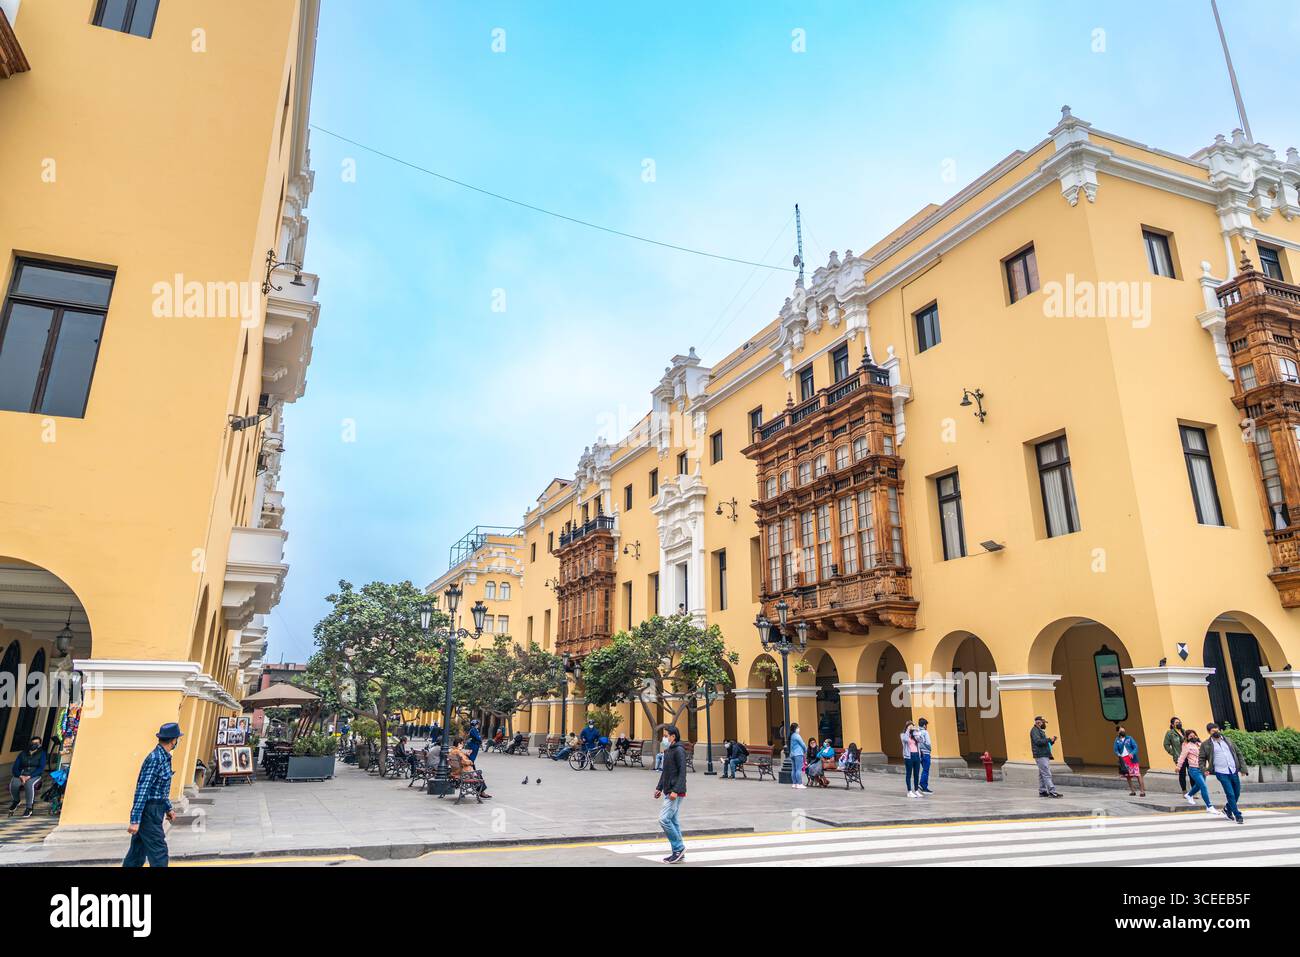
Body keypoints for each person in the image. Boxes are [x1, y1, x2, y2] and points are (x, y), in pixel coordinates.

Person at [123, 722, 182, 868]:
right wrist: (135, 820)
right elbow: (143, 789)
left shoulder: (165, 757)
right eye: (177, 739)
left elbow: (160, 789)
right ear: (173, 740)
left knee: (136, 853)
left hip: (156, 809)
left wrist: (168, 808)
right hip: (149, 811)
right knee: (159, 853)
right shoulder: (155, 758)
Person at [654, 723, 688, 864]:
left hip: (675, 791)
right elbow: (665, 772)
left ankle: (679, 848)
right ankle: (678, 851)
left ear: (673, 737)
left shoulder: (679, 750)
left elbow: (682, 772)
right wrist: (659, 788)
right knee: (673, 820)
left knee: (664, 819)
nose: (664, 738)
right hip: (669, 790)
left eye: (666, 736)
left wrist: (675, 790)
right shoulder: (668, 750)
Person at [1200, 723, 1244, 824]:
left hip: (1233, 770)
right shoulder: (1206, 744)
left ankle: (1227, 809)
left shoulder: (1227, 740)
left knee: (1236, 793)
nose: (1216, 732)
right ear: (1209, 732)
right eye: (1213, 731)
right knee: (1230, 794)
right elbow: (1201, 759)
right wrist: (1204, 769)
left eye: (1217, 730)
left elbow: (1238, 753)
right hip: (1221, 772)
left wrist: (1243, 769)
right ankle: (1237, 815)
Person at [1177, 730, 1216, 815]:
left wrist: (1208, 768)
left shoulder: (1200, 744)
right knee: (1203, 786)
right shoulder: (1187, 746)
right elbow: (1182, 757)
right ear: (1187, 738)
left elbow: (1206, 755)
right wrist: (1178, 767)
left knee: (1198, 786)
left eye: (1194, 735)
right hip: (1194, 769)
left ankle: (1189, 795)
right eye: (1190, 736)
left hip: (1202, 769)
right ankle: (1209, 806)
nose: (1193, 737)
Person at [8, 736, 46, 818]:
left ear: (40, 745)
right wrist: (20, 775)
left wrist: (30, 776)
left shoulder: (42, 754)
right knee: (13, 784)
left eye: (37, 743)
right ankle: (16, 800)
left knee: (29, 785)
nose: (34, 744)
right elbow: (15, 767)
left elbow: (41, 768)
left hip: (34, 775)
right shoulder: (22, 753)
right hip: (22, 773)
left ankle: (29, 807)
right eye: (33, 743)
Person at [1030, 716, 1061, 797]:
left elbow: (1044, 744)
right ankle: (1052, 792)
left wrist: (1051, 741)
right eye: (1043, 722)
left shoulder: (1040, 731)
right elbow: (1038, 742)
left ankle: (1042, 791)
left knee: (1042, 774)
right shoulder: (1034, 731)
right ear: (1038, 722)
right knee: (1047, 774)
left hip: (1043, 754)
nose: (1044, 724)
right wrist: (1048, 739)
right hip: (1041, 755)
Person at [1114, 726, 1145, 797]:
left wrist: (1132, 753)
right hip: (1124, 760)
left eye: (1124, 730)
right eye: (1121, 730)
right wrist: (1119, 755)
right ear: (1118, 732)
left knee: (1137, 775)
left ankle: (1142, 791)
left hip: (1132, 759)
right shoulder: (1117, 740)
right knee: (1128, 776)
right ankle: (1132, 791)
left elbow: (1135, 747)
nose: (1123, 732)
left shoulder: (1129, 738)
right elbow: (1116, 749)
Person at [1164, 717, 1188, 793]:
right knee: (1182, 774)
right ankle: (1184, 791)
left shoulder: (1185, 731)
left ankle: (1194, 792)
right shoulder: (1170, 733)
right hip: (1179, 756)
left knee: (1192, 773)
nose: (1179, 723)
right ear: (1172, 724)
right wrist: (1173, 753)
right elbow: (1166, 744)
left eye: (1179, 722)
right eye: (1177, 722)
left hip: (1188, 755)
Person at [902, 722, 924, 797]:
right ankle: (909, 791)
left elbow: (922, 740)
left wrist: (917, 731)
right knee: (909, 774)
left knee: (916, 774)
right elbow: (905, 739)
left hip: (917, 755)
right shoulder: (903, 735)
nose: (912, 727)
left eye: (912, 726)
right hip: (909, 756)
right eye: (910, 726)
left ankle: (916, 790)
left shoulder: (915, 736)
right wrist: (908, 729)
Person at [915, 717, 934, 794]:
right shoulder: (925, 732)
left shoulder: (916, 732)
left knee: (923, 769)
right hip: (926, 753)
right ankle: (923, 785)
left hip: (919, 753)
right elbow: (928, 743)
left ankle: (922, 785)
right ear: (924, 725)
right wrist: (930, 749)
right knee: (926, 770)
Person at [788, 723, 806, 789]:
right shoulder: (797, 736)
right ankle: (800, 783)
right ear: (796, 728)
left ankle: (794, 783)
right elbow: (803, 744)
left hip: (792, 754)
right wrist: (805, 750)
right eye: (798, 727)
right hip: (798, 754)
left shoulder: (792, 736)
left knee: (794, 769)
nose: (799, 729)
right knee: (798, 769)